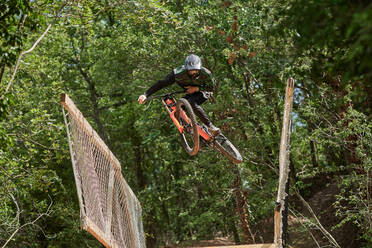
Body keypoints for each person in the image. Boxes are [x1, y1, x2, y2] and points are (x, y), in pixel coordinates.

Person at [138, 54, 220, 136]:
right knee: (178, 108)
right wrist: (146, 94)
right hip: (190, 94)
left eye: (196, 71)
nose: (194, 73)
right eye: (191, 71)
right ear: (186, 69)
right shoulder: (178, 73)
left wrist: (196, 89)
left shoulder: (206, 73)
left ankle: (210, 126)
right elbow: (161, 83)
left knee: (191, 102)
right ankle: (198, 135)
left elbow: (212, 88)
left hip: (203, 92)